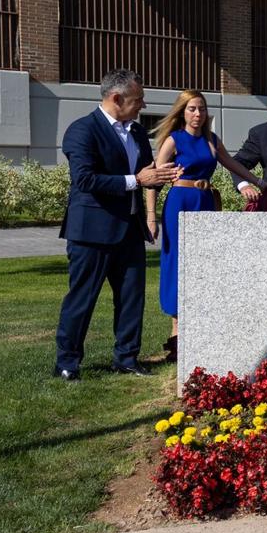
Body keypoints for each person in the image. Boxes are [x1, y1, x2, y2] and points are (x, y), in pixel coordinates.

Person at [53, 69, 180, 380]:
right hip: (91, 233)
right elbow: (85, 179)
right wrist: (137, 179)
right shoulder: (82, 130)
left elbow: (145, 176)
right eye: (138, 99)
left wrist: (160, 177)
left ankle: (126, 357)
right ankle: (67, 363)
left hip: (129, 230)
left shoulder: (137, 133)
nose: (143, 104)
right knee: (82, 298)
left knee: (131, 299)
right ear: (116, 98)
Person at [146, 91, 267, 361]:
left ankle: (202, 327)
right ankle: (176, 334)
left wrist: (258, 182)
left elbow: (232, 164)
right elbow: (154, 177)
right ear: (183, 112)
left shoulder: (212, 140)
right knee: (177, 262)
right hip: (180, 201)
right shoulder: (174, 140)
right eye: (192, 109)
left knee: (204, 264)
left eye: (201, 108)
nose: (197, 114)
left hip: (206, 202)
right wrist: (150, 216)